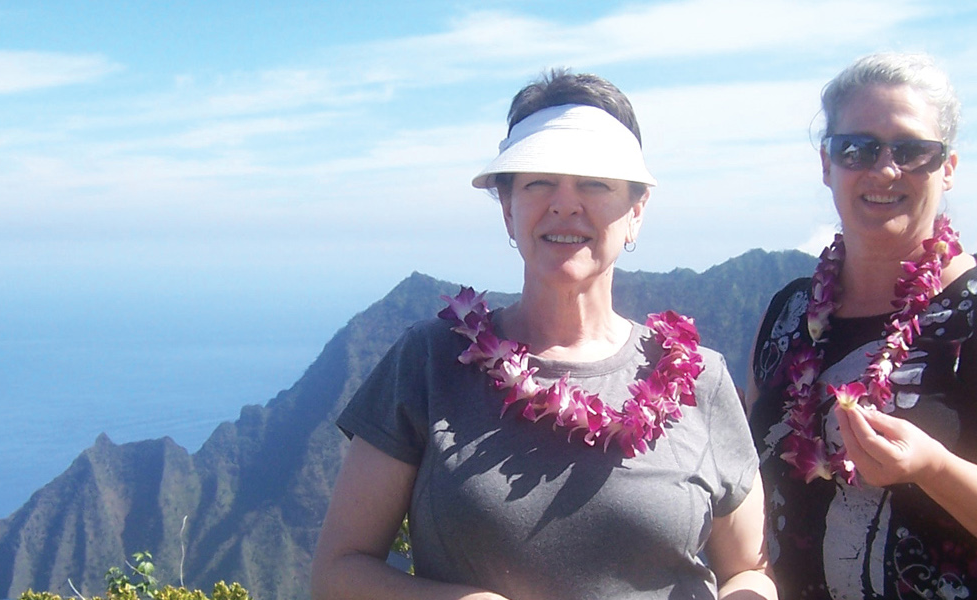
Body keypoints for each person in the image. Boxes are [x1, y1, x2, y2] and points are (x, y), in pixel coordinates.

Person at [311, 69, 775, 600]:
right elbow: (337, 572)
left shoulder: (701, 378)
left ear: (636, 212)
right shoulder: (428, 362)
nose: (565, 204)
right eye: (538, 182)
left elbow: (749, 569)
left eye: (595, 183)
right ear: (508, 210)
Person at [746, 53, 977, 599]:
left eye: (912, 151)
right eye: (856, 148)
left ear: (948, 168)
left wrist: (934, 469)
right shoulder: (789, 316)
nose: (885, 170)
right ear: (827, 164)